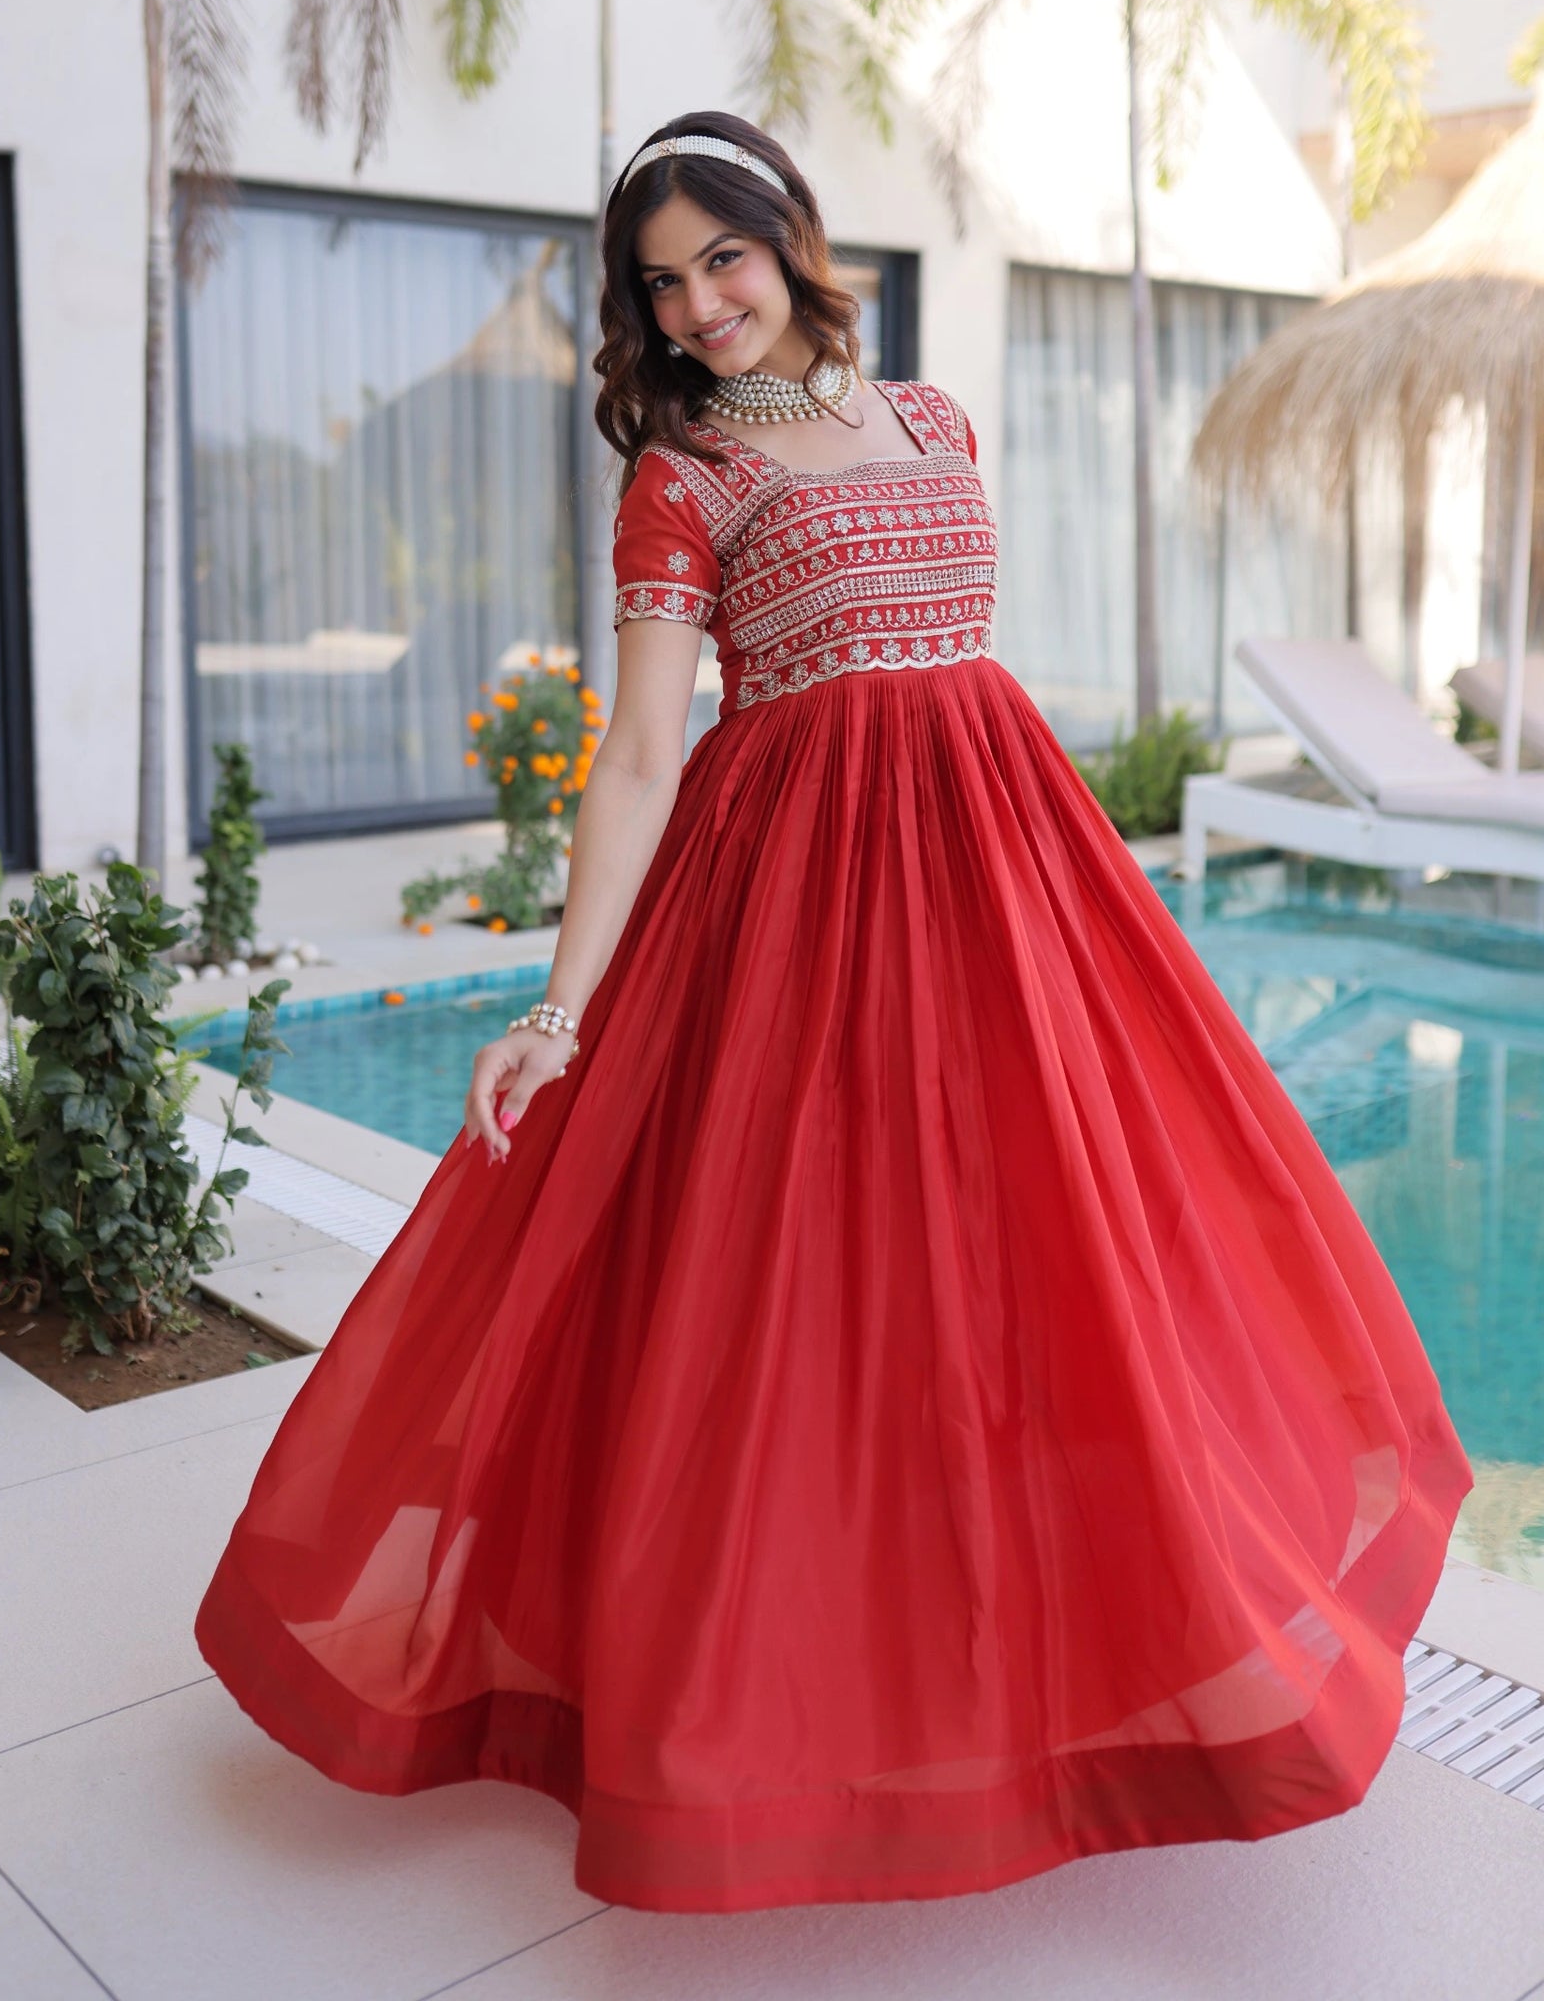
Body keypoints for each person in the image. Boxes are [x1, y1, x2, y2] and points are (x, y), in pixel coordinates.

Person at [195, 109, 1472, 1915]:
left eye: (722, 256)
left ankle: (1031, 1644)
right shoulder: (685, 476)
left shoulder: (937, 417)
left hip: (1002, 869)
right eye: (662, 285)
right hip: (796, 898)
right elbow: (641, 752)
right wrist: (561, 1012)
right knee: (797, 1291)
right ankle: (767, 1701)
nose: (701, 306)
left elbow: (956, 646)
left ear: (791, 239)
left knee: (1042, 1266)